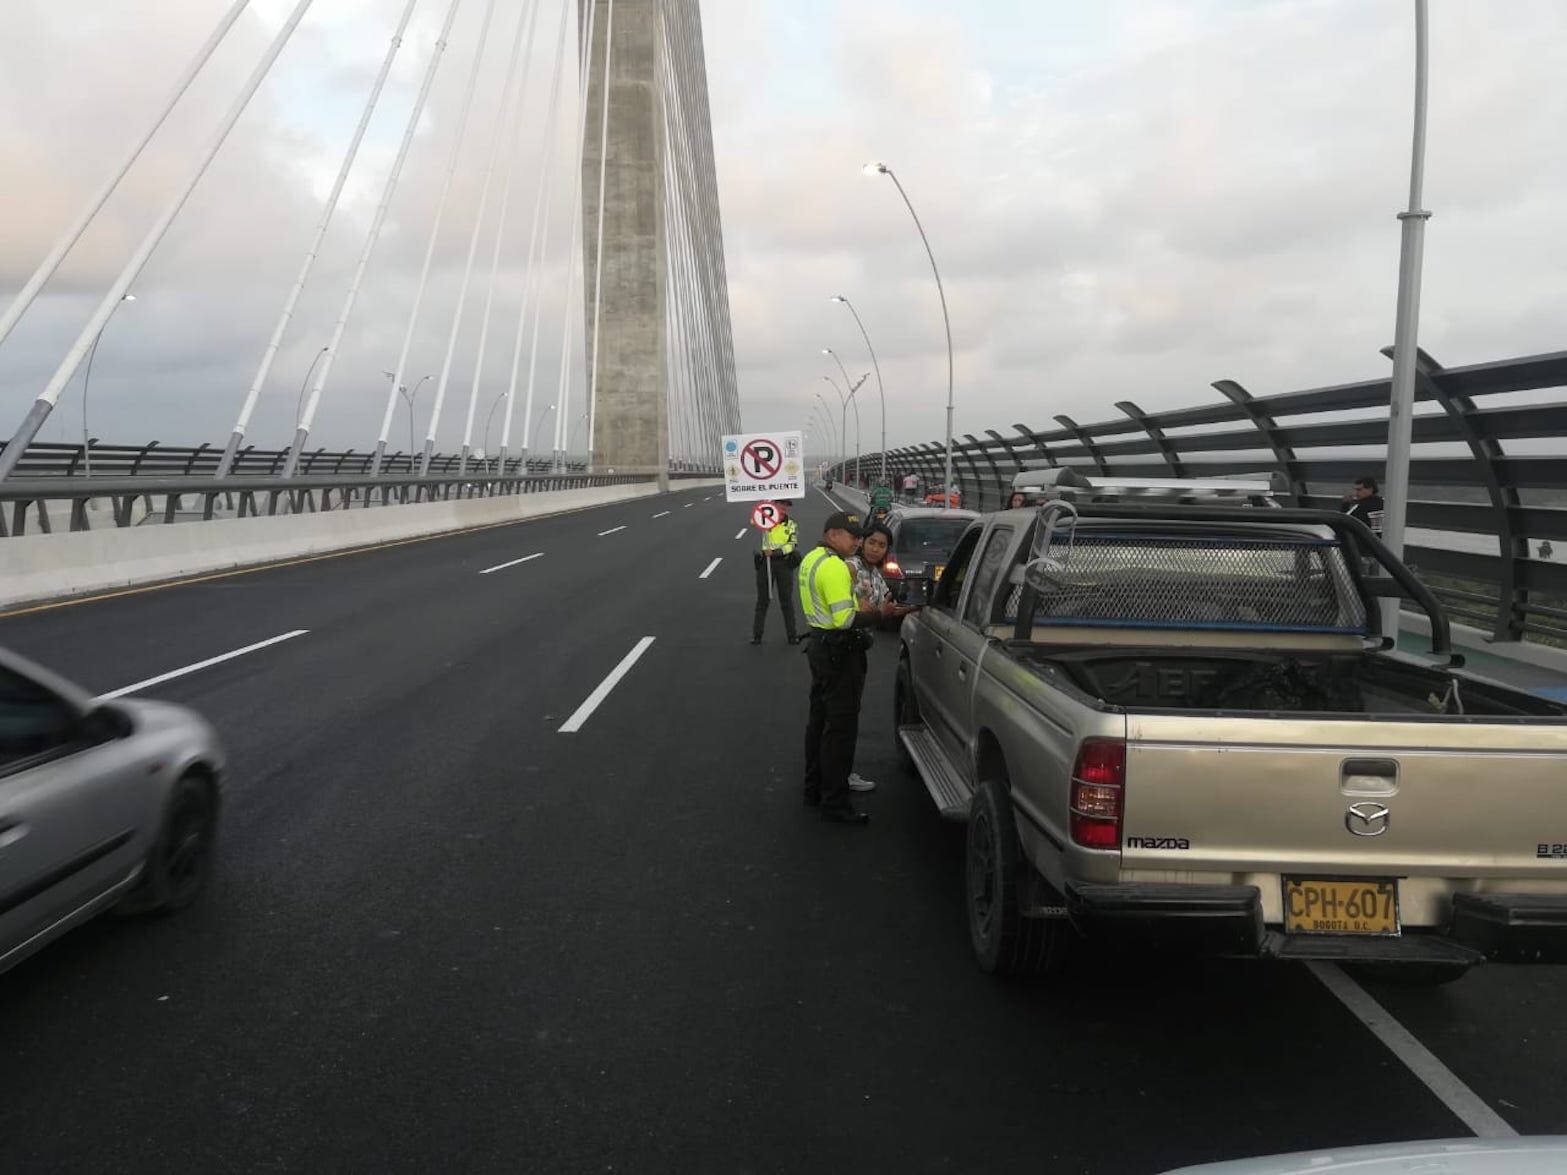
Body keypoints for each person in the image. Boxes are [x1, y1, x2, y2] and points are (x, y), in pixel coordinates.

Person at [799, 511, 886, 824]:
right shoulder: (835, 567)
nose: (857, 541)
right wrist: (880, 614)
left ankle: (813, 789)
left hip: (819, 647)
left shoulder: (812, 558)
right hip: (838, 652)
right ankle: (835, 802)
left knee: (818, 724)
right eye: (852, 536)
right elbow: (845, 619)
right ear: (832, 534)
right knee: (841, 730)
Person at [752, 499, 800, 645]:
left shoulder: (791, 524)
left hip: (784, 564)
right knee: (762, 601)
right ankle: (757, 636)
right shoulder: (764, 520)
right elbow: (753, 520)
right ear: (774, 505)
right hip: (765, 564)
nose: (784, 508)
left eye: (787, 506)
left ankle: (792, 636)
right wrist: (764, 507)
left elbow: (792, 545)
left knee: (786, 601)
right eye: (781, 505)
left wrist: (775, 552)